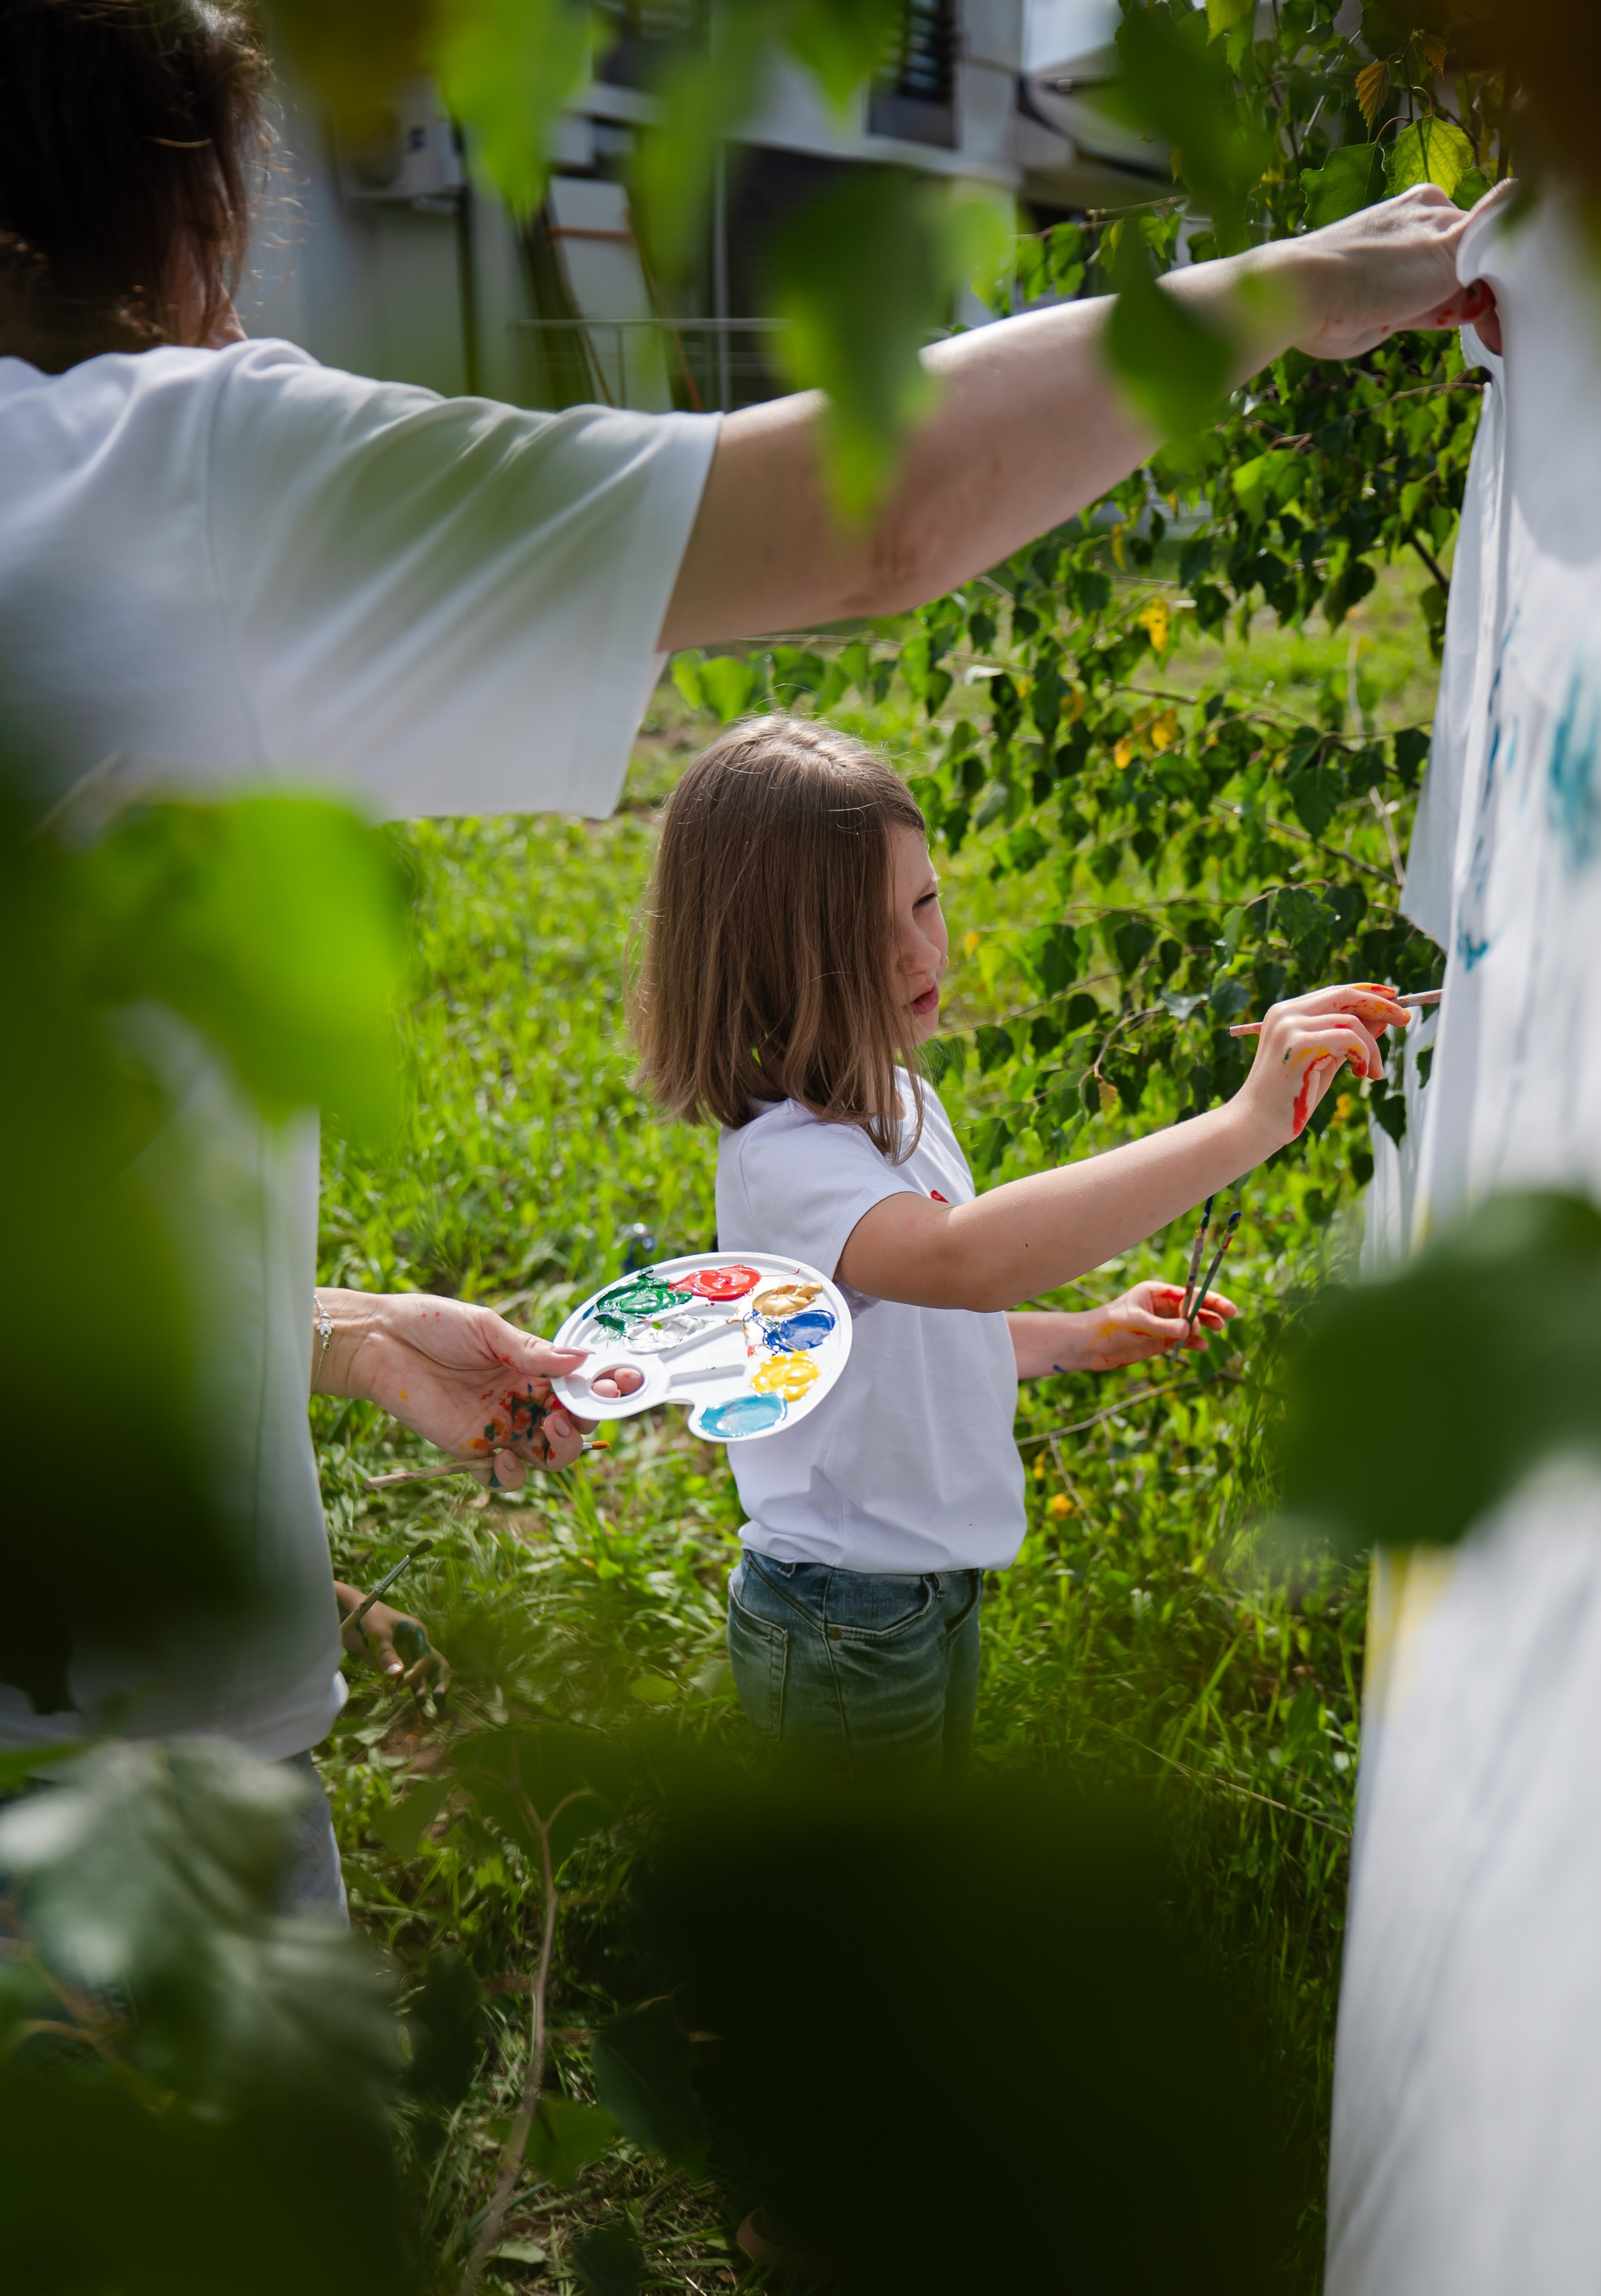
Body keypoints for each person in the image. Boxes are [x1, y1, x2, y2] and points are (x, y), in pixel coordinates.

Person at [0, 0, 1491, 1894]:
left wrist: (343, 1330)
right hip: (107, 1767)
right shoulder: (134, 480)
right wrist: (1282, 290)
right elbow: (866, 516)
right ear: (165, 223)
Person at [629, 717, 1408, 1773]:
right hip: (842, 1617)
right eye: (870, 933)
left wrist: (1081, 1338)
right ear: (772, 962)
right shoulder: (788, 1165)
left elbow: (922, 1329)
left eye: (926, 901)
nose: (921, 952)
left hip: (919, 1595)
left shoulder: (896, 1097)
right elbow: (965, 1261)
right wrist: (1245, 1125)